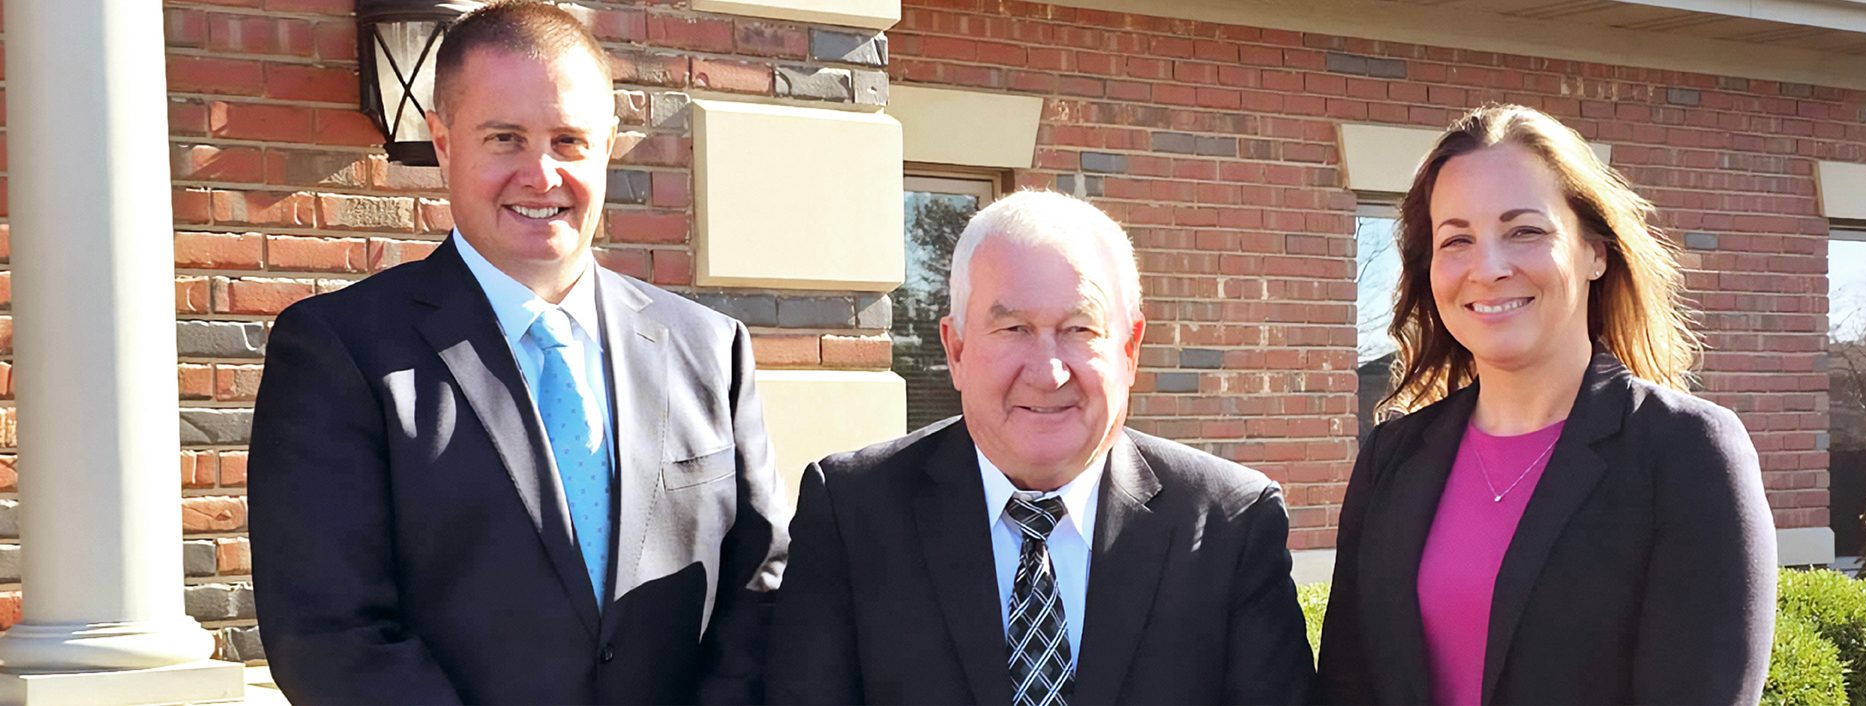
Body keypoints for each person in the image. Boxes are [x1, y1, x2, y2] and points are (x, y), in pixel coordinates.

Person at [247, 3, 788, 702]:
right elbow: (330, 633)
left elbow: (763, 589)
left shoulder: (710, 348)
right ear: (442, 142)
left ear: (609, 145)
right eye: (505, 138)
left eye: (568, 140)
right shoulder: (340, 353)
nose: (541, 175)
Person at [764, 191, 1313, 705]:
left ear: (1129, 349)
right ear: (955, 350)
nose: (1049, 373)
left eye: (1079, 329)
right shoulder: (853, 511)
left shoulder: (1229, 522)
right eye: (1014, 330)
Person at [1313, 104, 1776, 705]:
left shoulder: (1686, 452)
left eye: (1524, 230)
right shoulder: (1392, 458)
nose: (1488, 268)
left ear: (1595, 252)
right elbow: (1348, 687)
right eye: (1457, 240)